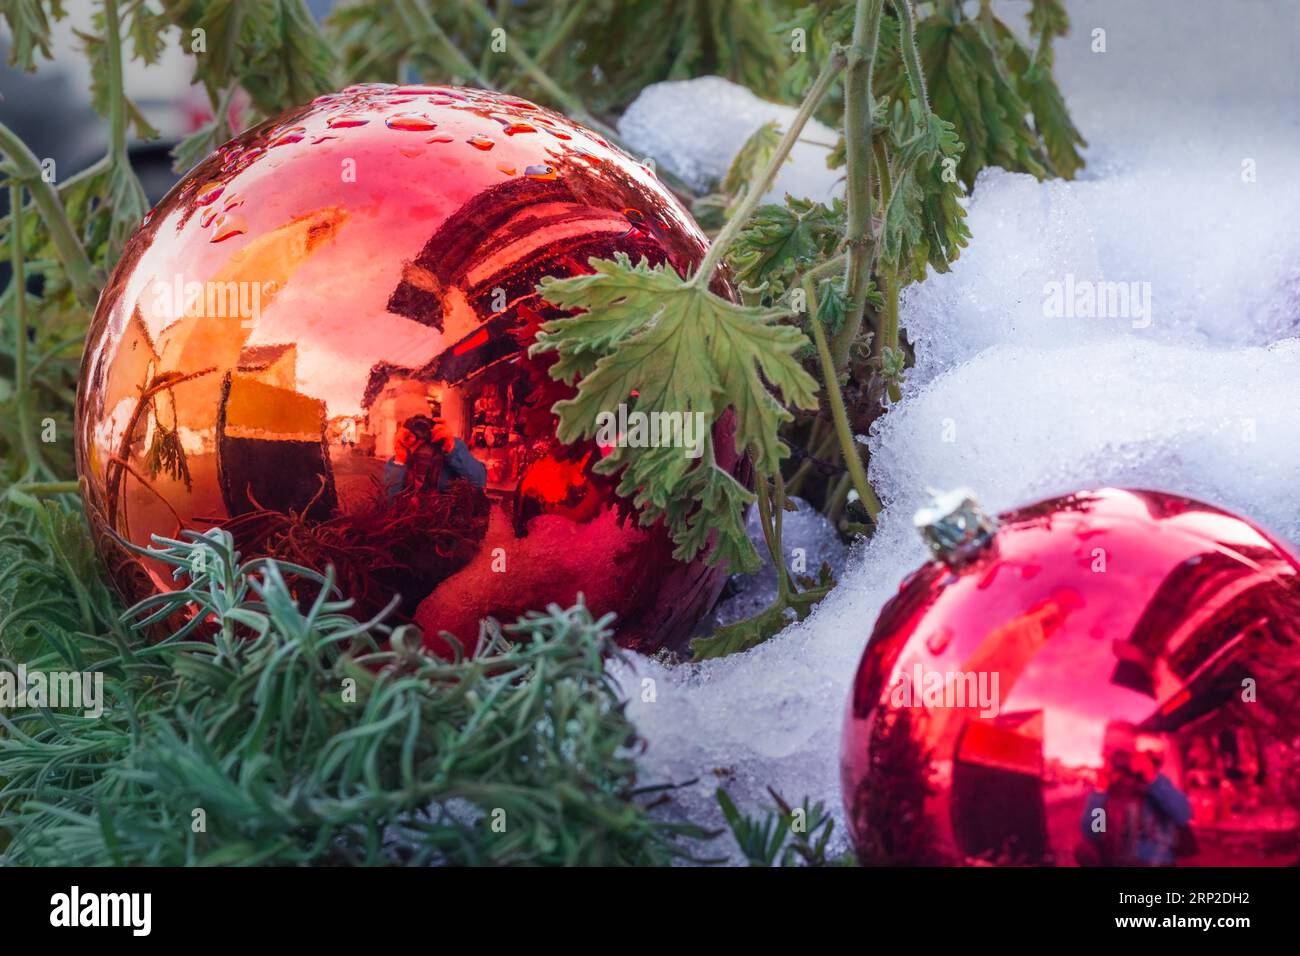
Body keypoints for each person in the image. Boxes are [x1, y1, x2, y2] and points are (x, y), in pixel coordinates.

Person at [1077, 722, 1192, 866]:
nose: (1118, 759)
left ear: (1133, 752)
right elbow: (1093, 833)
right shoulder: (1105, 790)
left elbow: (1183, 815)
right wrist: (1100, 792)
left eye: (1122, 751)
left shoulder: (1152, 782)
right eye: (1109, 750)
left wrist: (1151, 777)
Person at [383, 414, 486, 500]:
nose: (421, 432)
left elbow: (479, 481)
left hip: (446, 513)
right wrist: (400, 459)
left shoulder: (449, 445)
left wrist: (451, 448)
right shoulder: (402, 455)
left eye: (424, 427)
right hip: (411, 514)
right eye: (415, 429)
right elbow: (388, 501)